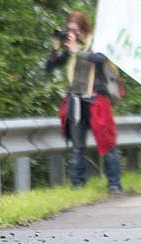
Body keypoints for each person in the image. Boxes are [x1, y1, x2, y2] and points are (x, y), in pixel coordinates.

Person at [45, 11, 122, 193]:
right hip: (76, 99)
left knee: (107, 142)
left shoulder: (96, 41)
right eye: (69, 29)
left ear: (84, 28)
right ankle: (78, 185)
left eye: (75, 29)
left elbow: (100, 58)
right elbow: (49, 68)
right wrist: (56, 47)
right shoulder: (71, 48)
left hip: (97, 99)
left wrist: (77, 51)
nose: (73, 33)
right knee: (78, 146)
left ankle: (114, 184)